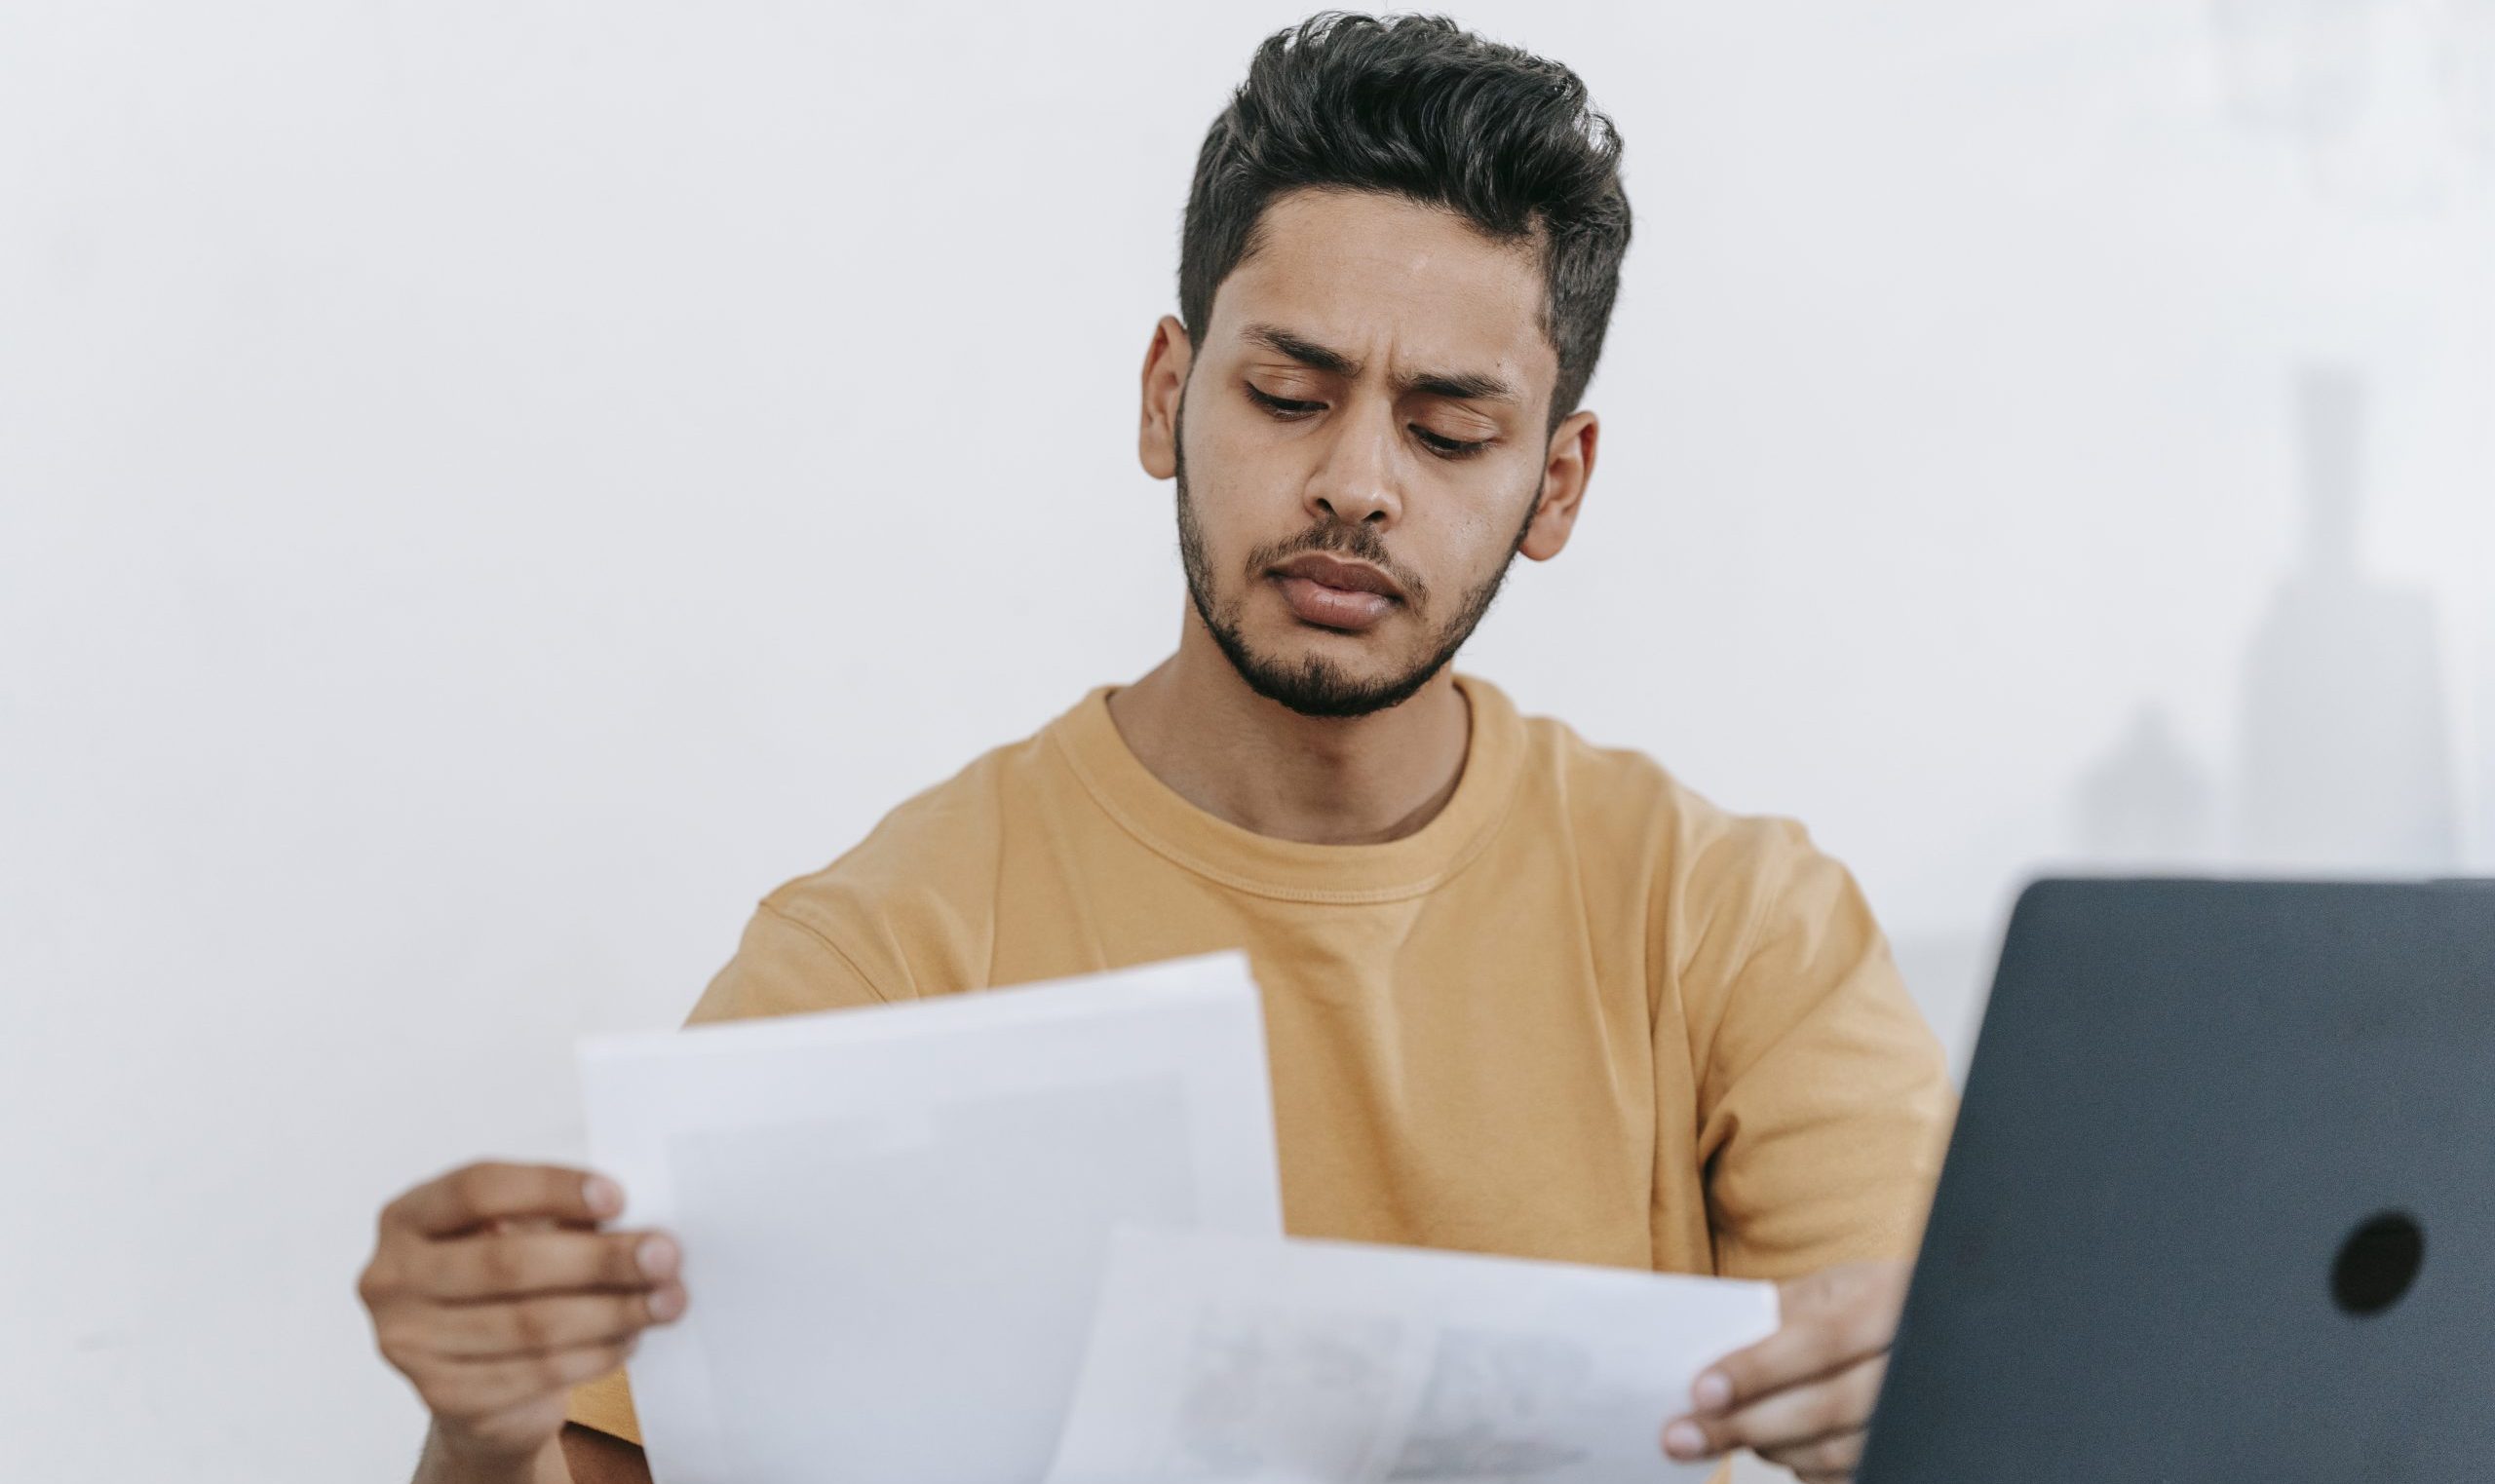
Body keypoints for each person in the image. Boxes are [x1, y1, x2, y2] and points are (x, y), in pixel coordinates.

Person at [356, 13, 1954, 1484]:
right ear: (1167, 397)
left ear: (1557, 483)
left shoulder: (1732, 921)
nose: (1358, 484)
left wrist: (1941, 1415)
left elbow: (1978, 1411)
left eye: (1451, 430)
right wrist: (481, 1435)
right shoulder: (892, 949)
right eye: (1285, 392)